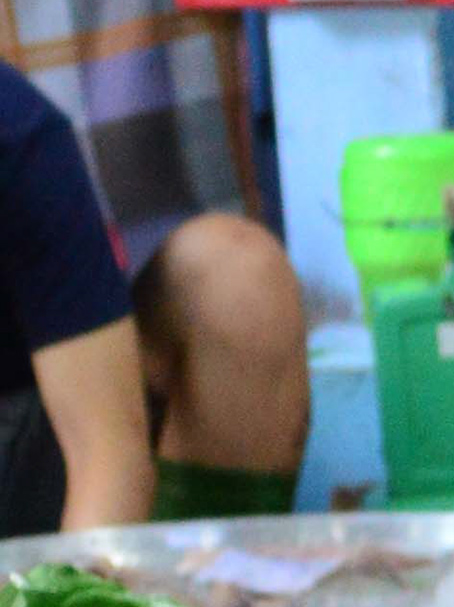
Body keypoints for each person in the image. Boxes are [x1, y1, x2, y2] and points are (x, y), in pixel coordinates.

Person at [0, 59, 306, 534]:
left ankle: (208, 591)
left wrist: (74, 601)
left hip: (29, 457)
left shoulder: (16, 131)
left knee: (236, 278)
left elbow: (107, 456)